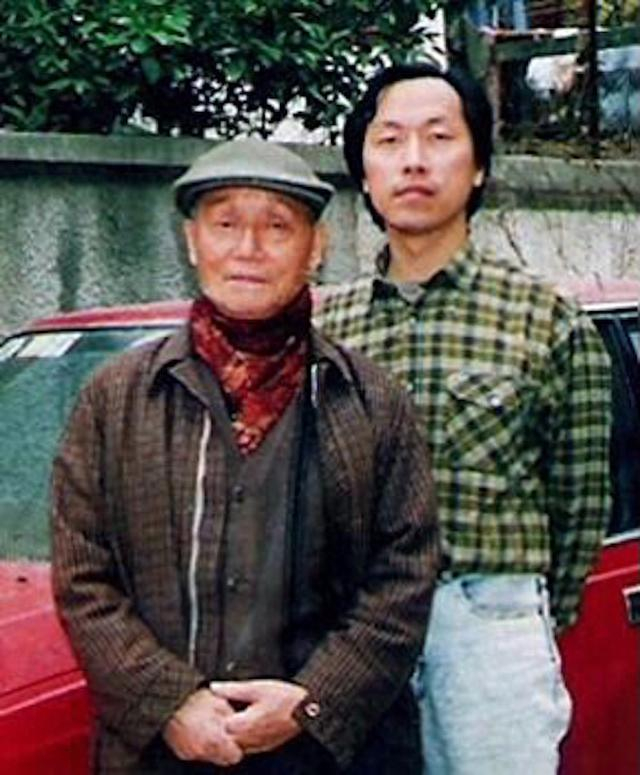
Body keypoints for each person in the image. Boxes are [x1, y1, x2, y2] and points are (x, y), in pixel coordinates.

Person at [51, 137, 440, 774]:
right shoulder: (115, 399)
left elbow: (404, 576)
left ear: (316, 247)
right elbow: (83, 576)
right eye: (225, 224)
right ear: (191, 241)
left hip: (333, 757)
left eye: (278, 227)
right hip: (159, 755)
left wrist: (314, 702)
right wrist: (168, 703)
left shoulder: (372, 402)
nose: (249, 249)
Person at [316, 62, 611, 774]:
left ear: (478, 167)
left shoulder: (546, 319)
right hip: (354, 633)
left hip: (488, 630)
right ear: (364, 171)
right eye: (390, 140)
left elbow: (580, 503)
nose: (414, 160)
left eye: (439, 137)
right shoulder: (326, 332)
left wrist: (513, 616)